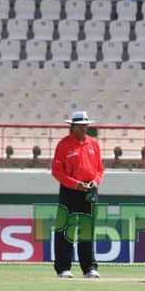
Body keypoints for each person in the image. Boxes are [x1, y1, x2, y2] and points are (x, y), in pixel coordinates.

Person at [51, 111, 104, 279]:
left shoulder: (93, 144)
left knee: (87, 229)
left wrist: (95, 182)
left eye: (85, 125)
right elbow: (57, 171)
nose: (83, 128)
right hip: (70, 190)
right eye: (80, 126)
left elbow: (99, 169)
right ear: (72, 127)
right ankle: (63, 268)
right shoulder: (64, 145)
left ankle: (89, 268)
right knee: (66, 229)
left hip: (90, 190)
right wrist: (75, 184)